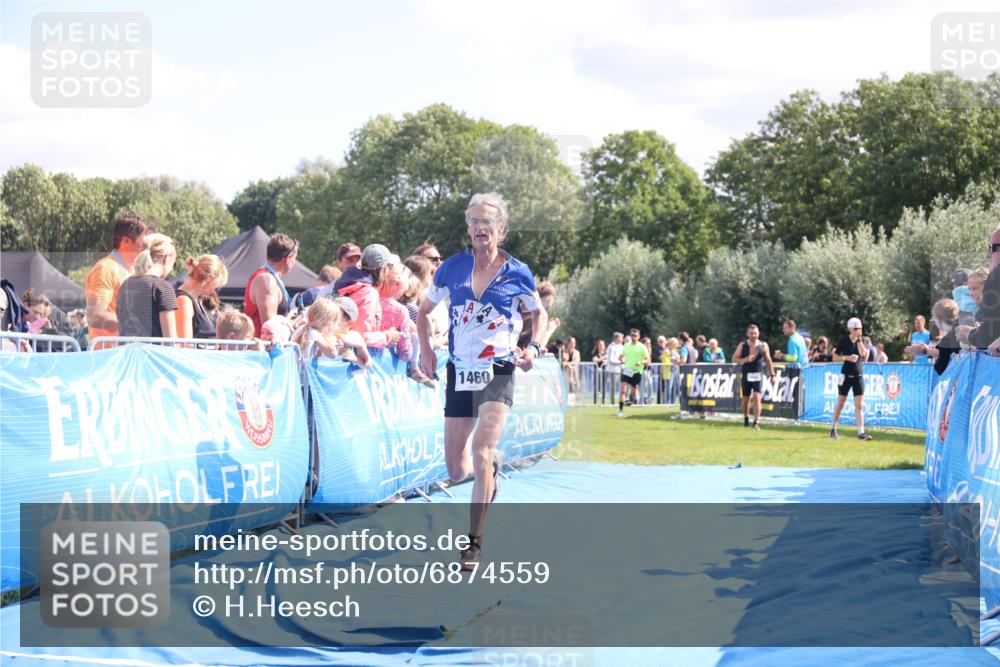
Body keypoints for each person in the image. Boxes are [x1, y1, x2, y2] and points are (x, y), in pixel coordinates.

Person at [416, 192, 547, 571]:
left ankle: (473, 545)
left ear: (500, 228)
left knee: (482, 451)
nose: (479, 228)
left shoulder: (518, 272)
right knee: (457, 469)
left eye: (487, 222)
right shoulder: (451, 268)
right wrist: (426, 350)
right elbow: (423, 313)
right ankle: (490, 472)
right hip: (459, 368)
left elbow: (538, 316)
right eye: (473, 221)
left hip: (498, 369)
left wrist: (533, 349)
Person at [85, 211, 152, 346]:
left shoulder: (132, 271)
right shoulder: (105, 268)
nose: (146, 246)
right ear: (126, 241)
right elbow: (94, 316)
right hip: (109, 357)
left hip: (127, 355)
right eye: (143, 239)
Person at [334, 244, 405, 349]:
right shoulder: (369, 293)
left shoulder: (346, 283)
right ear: (382, 270)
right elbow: (362, 336)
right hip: (348, 357)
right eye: (389, 267)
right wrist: (388, 336)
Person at [116, 234, 178, 339]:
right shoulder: (162, 287)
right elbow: (170, 340)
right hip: (153, 354)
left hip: (128, 353)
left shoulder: (125, 285)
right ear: (165, 259)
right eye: (174, 263)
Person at [245, 233, 298, 337]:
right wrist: (293, 322)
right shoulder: (266, 280)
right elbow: (270, 328)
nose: (295, 263)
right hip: (263, 350)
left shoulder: (269, 278)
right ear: (286, 259)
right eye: (294, 258)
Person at [830, 317, 874, 441]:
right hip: (846, 375)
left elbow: (864, 355)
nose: (858, 330)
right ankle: (833, 428)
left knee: (859, 405)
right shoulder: (844, 341)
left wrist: (859, 340)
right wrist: (847, 357)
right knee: (841, 402)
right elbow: (835, 357)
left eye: (860, 328)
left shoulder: (862, 341)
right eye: (855, 328)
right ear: (850, 329)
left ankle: (861, 433)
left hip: (858, 376)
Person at [958, 227, 1000, 349]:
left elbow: (989, 337)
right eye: (969, 288)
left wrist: (968, 334)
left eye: (992, 248)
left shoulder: (996, 277)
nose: (988, 255)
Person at [732, 324, 775, 430]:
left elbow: (768, 360)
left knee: (757, 397)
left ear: (758, 333)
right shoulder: (742, 345)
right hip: (746, 374)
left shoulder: (764, 345)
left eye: (755, 333)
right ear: (747, 334)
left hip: (758, 374)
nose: (754, 335)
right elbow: (734, 359)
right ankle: (746, 418)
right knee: (746, 399)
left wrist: (772, 374)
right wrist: (745, 360)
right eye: (751, 333)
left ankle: (756, 422)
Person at [175, 254, 228, 339]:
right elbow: (184, 345)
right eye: (216, 287)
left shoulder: (199, 300)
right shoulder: (183, 301)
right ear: (210, 281)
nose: (214, 291)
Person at [907, 299, 961, 376]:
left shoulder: (950, 338)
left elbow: (942, 362)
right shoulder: (960, 332)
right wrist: (925, 350)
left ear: (938, 319)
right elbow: (942, 352)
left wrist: (925, 350)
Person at [618, 328, 650, 417]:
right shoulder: (626, 345)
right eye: (632, 335)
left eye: (635, 336)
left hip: (637, 371)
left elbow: (648, 359)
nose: (633, 337)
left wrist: (641, 362)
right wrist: (622, 359)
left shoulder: (642, 347)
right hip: (627, 370)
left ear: (639, 337)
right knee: (623, 390)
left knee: (634, 392)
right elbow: (620, 356)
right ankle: (621, 411)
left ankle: (632, 399)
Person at [562, 336, 581, 401]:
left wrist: (567, 364)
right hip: (566, 373)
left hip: (574, 373)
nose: (573, 344)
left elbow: (576, 362)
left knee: (576, 387)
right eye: (572, 342)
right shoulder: (564, 351)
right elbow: (562, 362)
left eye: (574, 342)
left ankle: (576, 401)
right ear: (568, 343)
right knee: (566, 387)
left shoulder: (577, 352)